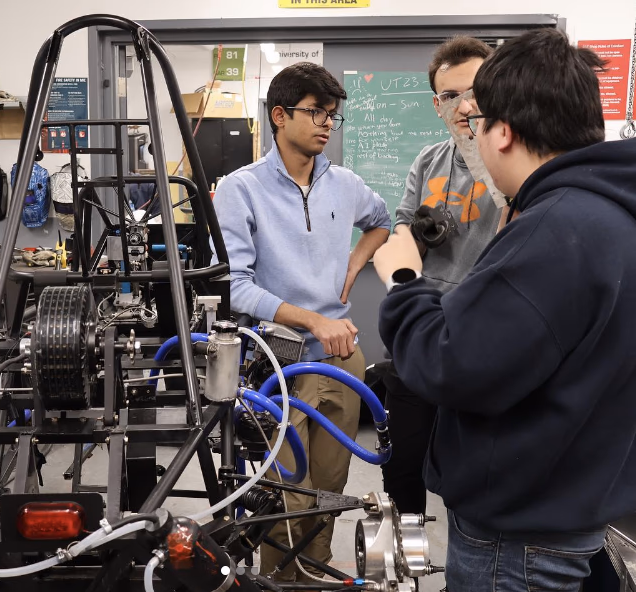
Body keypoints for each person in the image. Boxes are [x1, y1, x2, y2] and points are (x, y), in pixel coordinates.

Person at [373, 28, 636, 591]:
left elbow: (450, 365)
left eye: (480, 117)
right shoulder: (610, 210)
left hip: (519, 539)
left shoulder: (555, 229)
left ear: (504, 132)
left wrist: (401, 280)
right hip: (573, 497)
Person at [213, 62, 390, 583]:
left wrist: (356, 263)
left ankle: (313, 573)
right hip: (278, 360)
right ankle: (279, 581)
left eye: (332, 116)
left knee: (332, 484)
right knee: (288, 488)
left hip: (341, 356)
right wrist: (312, 319)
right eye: (315, 113)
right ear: (279, 116)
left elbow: (382, 222)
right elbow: (235, 286)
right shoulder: (240, 190)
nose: (326, 125)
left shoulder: (347, 185)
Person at [381, 36, 500, 515]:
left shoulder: (512, 156)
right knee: (401, 465)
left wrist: (479, 145)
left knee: (470, 473)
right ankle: (406, 559)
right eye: (450, 96)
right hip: (422, 330)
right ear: (437, 104)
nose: (464, 105)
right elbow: (403, 225)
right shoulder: (427, 160)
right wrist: (411, 243)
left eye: (475, 91)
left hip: (482, 341)